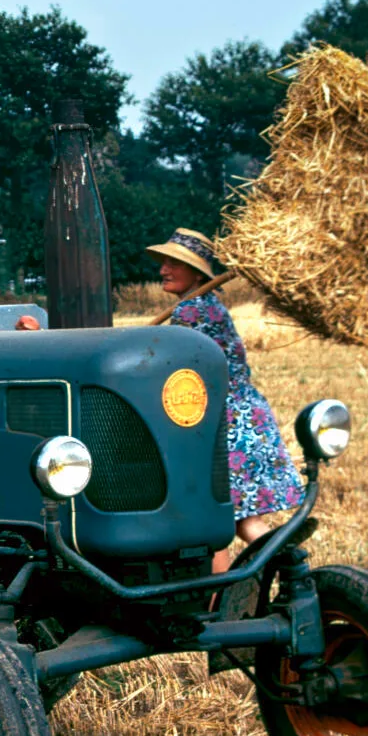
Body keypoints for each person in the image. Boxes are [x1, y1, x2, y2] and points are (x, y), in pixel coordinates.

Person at [148, 228, 304, 554]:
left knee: (213, 521)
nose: (163, 270)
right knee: (241, 522)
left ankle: (276, 569)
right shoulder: (206, 305)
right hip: (244, 416)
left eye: (174, 264)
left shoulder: (192, 311)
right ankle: (287, 565)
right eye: (163, 263)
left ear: (196, 273)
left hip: (227, 424)